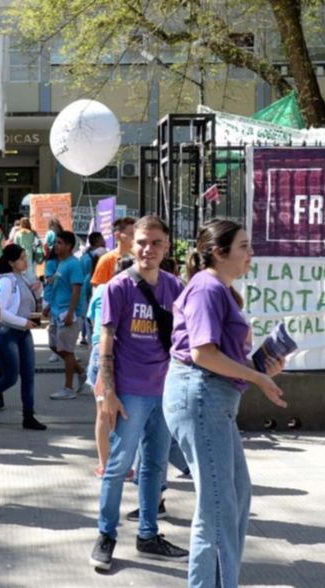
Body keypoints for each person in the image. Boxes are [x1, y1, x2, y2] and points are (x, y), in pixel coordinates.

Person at [163, 219, 286, 588]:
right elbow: (202, 354)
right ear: (219, 252)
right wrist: (257, 376)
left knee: (233, 497)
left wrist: (262, 367)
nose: (251, 253)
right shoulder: (206, 288)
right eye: (244, 246)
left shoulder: (219, 289)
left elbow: (217, 355)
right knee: (219, 506)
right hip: (200, 395)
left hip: (212, 397)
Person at [89, 216, 188, 572]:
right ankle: (105, 535)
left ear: (165, 247)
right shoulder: (117, 287)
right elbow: (106, 341)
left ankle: (148, 534)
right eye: (143, 242)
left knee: (155, 467)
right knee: (118, 467)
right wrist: (109, 392)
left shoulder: (176, 287)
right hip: (130, 392)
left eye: (156, 243)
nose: (148, 249)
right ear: (132, 244)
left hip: (164, 392)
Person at [0, 244, 46, 430]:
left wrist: (37, 290)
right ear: (11, 262)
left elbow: (26, 302)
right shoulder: (6, 281)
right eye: (22, 258)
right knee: (10, 377)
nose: (26, 261)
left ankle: (28, 416)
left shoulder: (21, 278)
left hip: (23, 332)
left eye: (25, 257)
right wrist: (22, 322)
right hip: (7, 333)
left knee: (28, 376)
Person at [84, 255, 134, 477]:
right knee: (117, 413)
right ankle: (116, 465)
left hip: (99, 351)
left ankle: (105, 464)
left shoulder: (101, 290)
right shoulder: (126, 291)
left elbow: (94, 324)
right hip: (113, 354)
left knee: (104, 413)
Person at [46, 231, 87, 399]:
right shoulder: (61, 263)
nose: (56, 246)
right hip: (56, 312)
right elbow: (58, 286)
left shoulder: (73, 264)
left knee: (67, 351)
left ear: (69, 246)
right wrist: (48, 306)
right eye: (56, 243)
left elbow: (76, 290)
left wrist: (71, 312)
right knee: (54, 346)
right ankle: (81, 371)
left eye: (60, 243)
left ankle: (68, 388)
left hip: (67, 314)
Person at [91, 218, 137, 288]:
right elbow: (98, 288)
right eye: (131, 234)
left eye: (136, 234)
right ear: (117, 235)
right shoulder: (106, 259)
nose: (135, 237)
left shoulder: (140, 258)